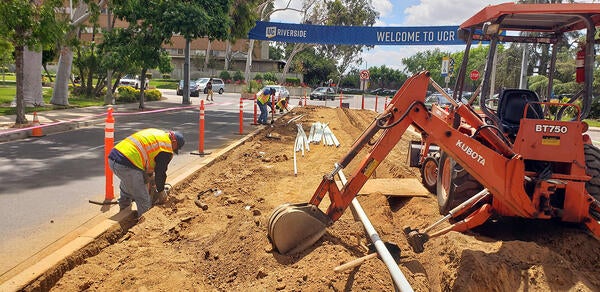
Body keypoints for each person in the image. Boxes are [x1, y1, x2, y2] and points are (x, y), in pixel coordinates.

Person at [108, 128, 185, 218]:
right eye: (175, 148)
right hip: (128, 163)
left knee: (129, 183)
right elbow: (160, 172)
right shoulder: (166, 148)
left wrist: (151, 180)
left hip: (114, 158)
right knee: (143, 199)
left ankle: (123, 211)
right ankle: (143, 225)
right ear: (174, 142)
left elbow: (149, 161)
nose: (173, 151)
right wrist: (161, 191)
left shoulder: (159, 134)